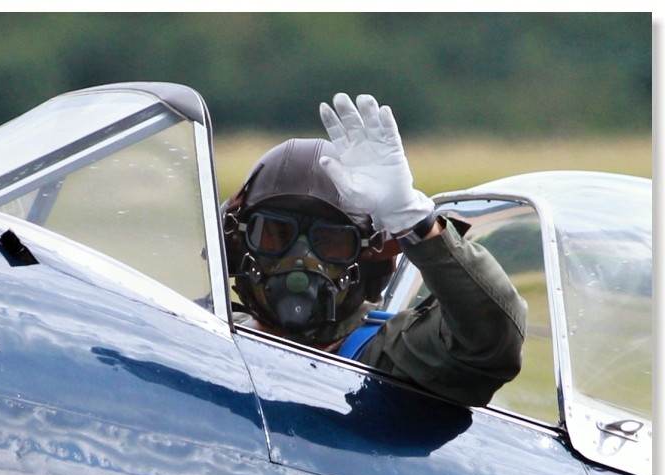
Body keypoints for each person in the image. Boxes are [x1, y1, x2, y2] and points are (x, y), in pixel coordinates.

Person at [222, 93, 527, 407]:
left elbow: (491, 341)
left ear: (368, 258)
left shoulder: (389, 355)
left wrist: (416, 224)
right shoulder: (212, 330)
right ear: (239, 243)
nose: (301, 257)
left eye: (329, 241)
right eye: (276, 234)